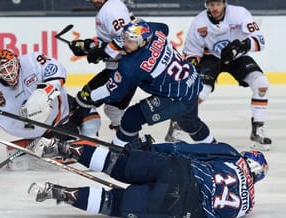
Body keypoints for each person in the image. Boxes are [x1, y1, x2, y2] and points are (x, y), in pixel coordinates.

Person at [28, 137, 268, 218]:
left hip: (178, 170)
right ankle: (57, 192)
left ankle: (61, 147)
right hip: (179, 207)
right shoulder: (247, 206)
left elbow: (184, 148)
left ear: (247, 157)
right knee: (115, 202)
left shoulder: (232, 155)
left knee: (118, 163)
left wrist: (150, 148)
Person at [75, 20, 215, 146]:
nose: (125, 44)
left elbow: (115, 93)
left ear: (143, 42)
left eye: (131, 41)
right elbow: (163, 27)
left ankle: (115, 153)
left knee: (131, 117)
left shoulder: (131, 66)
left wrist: (89, 97)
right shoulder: (155, 32)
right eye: (125, 39)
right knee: (189, 123)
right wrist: (110, 47)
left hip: (177, 97)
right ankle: (214, 149)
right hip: (192, 82)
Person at [166, 0, 271, 150]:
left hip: (237, 56)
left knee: (261, 84)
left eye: (218, 4)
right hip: (211, 58)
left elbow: (260, 41)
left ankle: (257, 128)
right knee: (200, 92)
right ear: (207, 5)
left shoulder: (239, 13)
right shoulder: (199, 22)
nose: (215, 8)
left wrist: (242, 45)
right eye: (212, 4)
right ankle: (178, 122)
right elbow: (191, 51)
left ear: (224, 3)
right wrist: (193, 66)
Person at [0, 49, 101, 170]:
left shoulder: (31, 61)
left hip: (62, 110)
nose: (8, 72)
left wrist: (47, 91)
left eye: (10, 66)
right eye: (3, 70)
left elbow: (55, 70)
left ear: (17, 61)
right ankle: (70, 151)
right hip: (39, 129)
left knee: (91, 115)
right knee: (84, 136)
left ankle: (55, 148)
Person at [68, 0, 134, 130]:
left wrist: (102, 53)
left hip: (120, 71)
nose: (95, 1)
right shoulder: (113, 6)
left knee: (83, 100)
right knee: (113, 110)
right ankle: (130, 143)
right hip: (127, 70)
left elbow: (130, 39)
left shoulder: (109, 10)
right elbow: (113, 40)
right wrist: (87, 46)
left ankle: (73, 138)